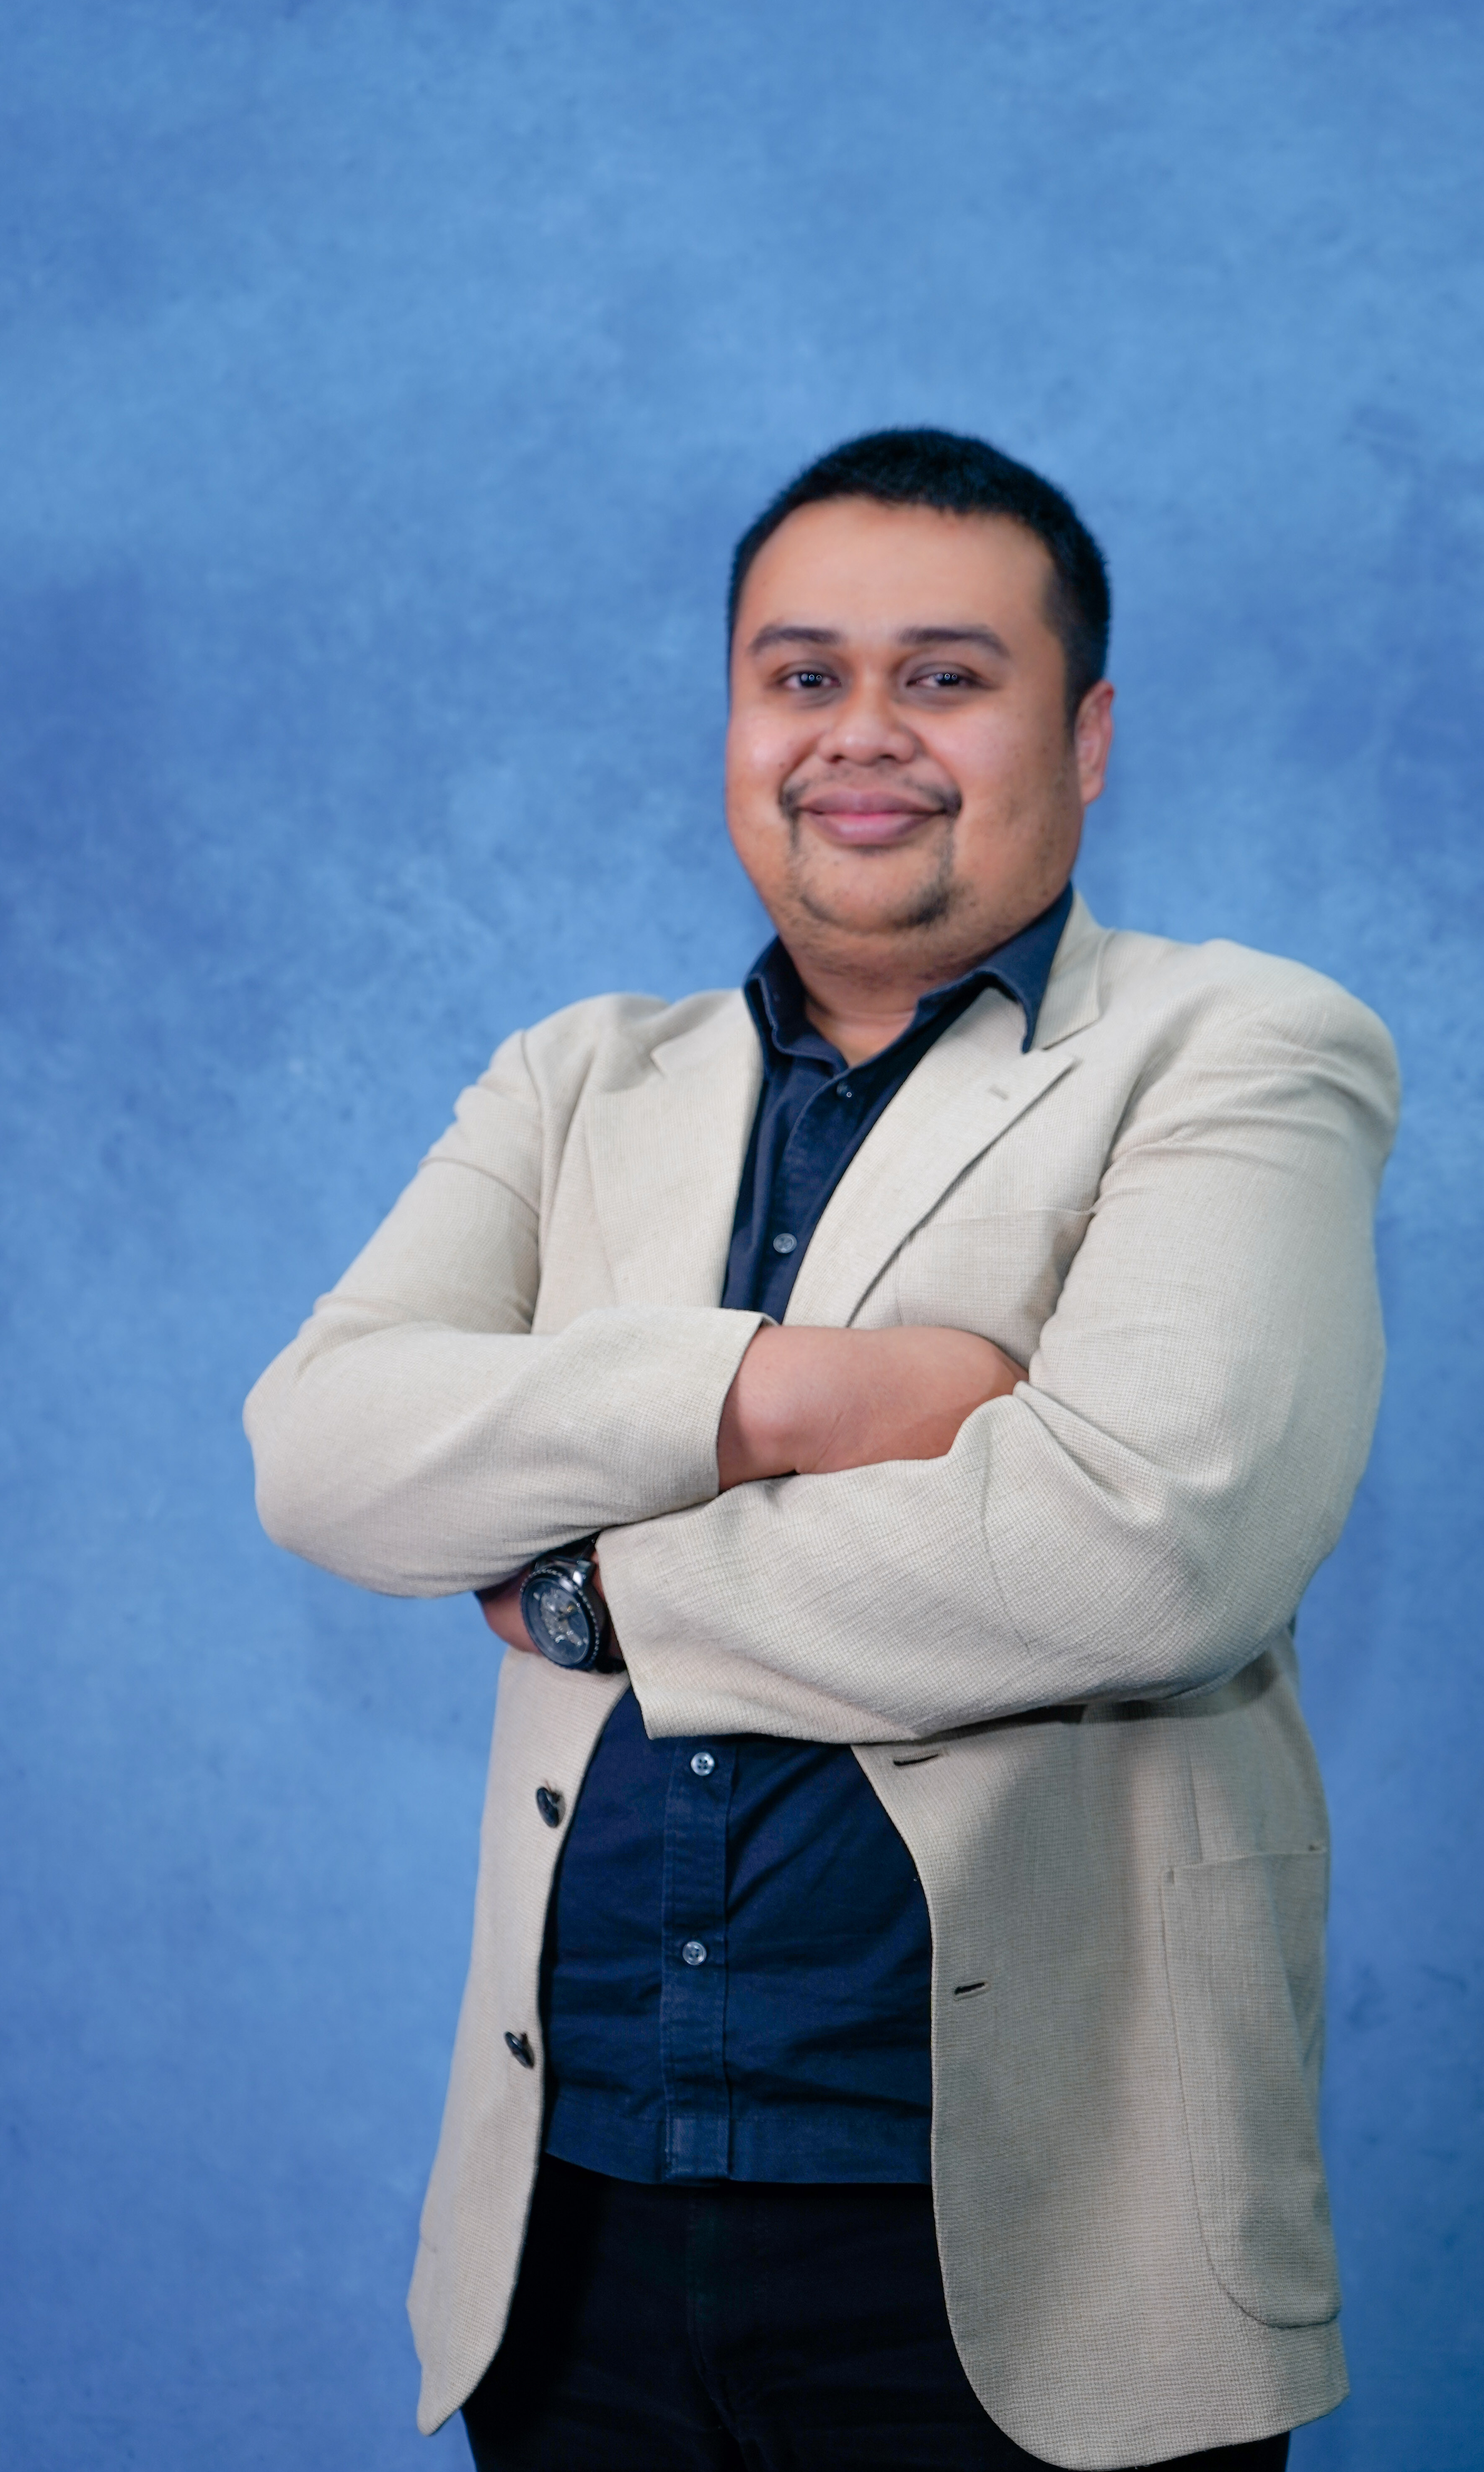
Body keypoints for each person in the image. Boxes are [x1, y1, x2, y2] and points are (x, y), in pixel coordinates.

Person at [245, 428, 1399, 2472]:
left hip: (1037, 2251)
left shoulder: (1234, 1045)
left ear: (1090, 730)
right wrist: (781, 1395)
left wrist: (601, 1589)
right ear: (733, 720)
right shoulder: (575, 1075)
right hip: (575, 2226)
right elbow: (324, 1452)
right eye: (802, 676)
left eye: (945, 676)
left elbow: (1152, 1541)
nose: (861, 737)